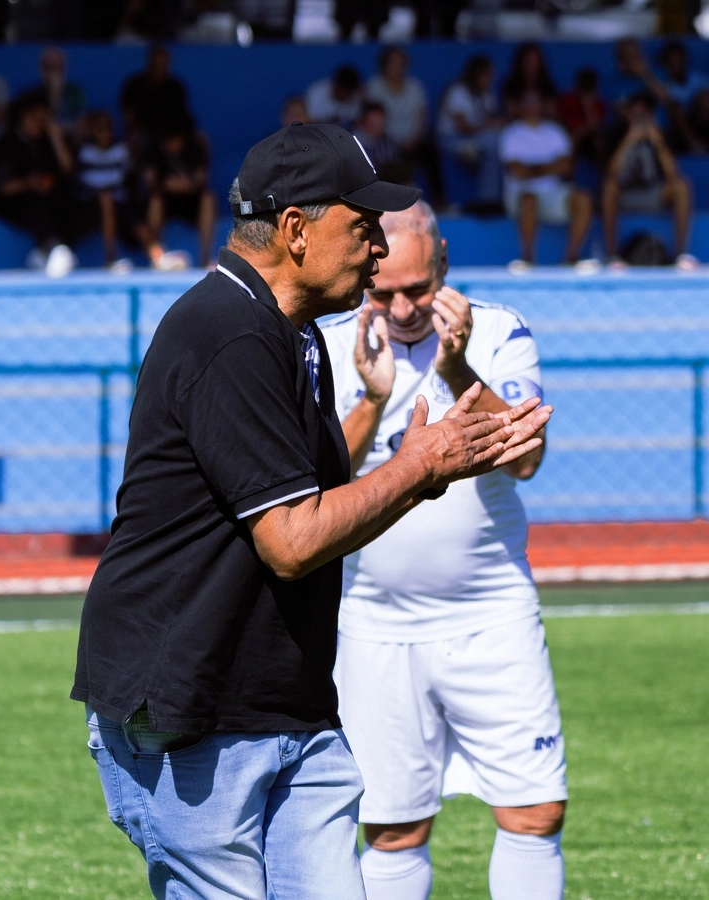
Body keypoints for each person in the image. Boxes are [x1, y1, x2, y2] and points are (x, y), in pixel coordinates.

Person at [71, 122, 551, 900]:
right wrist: (420, 466)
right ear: (296, 230)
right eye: (362, 226)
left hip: (286, 707)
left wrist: (414, 462)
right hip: (194, 711)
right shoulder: (229, 333)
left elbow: (324, 499)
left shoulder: (289, 332)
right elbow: (292, 540)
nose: (377, 248)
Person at [322, 200, 565, 900]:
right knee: (392, 829)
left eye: (419, 289)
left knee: (535, 812)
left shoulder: (499, 330)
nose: (402, 309)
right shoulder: (330, 343)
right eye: (384, 292)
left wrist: (459, 371)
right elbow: (316, 482)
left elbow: (526, 458)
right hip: (372, 622)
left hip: (492, 613)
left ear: (445, 264)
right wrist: (373, 400)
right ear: (365, 265)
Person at [499, 92, 592, 267]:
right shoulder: (512, 133)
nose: (532, 107)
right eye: (528, 102)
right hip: (519, 194)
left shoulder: (555, 131)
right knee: (529, 198)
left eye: (536, 102)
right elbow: (518, 171)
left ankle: (571, 257)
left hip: (552, 193)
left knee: (583, 199)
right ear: (520, 106)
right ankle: (527, 258)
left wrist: (532, 168)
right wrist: (550, 166)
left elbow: (566, 166)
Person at [602, 92, 692, 266]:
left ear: (651, 115)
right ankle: (612, 255)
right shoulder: (616, 134)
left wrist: (657, 142)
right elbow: (610, 172)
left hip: (654, 193)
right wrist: (628, 140)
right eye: (634, 114)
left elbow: (672, 173)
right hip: (624, 195)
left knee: (681, 186)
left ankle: (680, 254)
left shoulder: (661, 135)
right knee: (609, 186)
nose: (638, 119)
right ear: (627, 114)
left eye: (643, 115)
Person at [0, 92, 75, 270]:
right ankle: (55, 248)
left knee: (80, 207)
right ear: (24, 116)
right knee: (35, 204)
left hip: (51, 204)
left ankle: (43, 253)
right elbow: (2, 188)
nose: (41, 123)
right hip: (15, 205)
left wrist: (56, 137)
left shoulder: (48, 142)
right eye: (37, 118)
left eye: (44, 119)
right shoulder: (6, 144)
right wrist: (28, 183)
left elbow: (68, 170)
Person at [365, 46, 444, 206]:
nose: (397, 67)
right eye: (393, 63)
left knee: (430, 151)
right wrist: (391, 140)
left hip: (413, 141)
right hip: (384, 142)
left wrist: (414, 139)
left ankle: (440, 200)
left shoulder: (415, 87)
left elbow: (422, 117)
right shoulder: (374, 87)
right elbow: (372, 120)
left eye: (400, 63)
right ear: (384, 65)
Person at [140, 113, 217, 267]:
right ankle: (159, 258)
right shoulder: (155, 149)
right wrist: (165, 185)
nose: (174, 144)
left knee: (208, 199)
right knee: (155, 201)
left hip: (190, 200)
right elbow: (149, 182)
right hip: (165, 200)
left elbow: (201, 178)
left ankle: (205, 258)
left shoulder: (195, 147)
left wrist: (188, 185)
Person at [437, 54, 503, 204]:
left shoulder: (486, 94)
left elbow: (491, 118)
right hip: (451, 139)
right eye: (488, 75)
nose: (491, 79)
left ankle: (494, 199)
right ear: (477, 74)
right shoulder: (458, 91)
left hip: (475, 138)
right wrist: (489, 126)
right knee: (491, 143)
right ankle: (488, 200)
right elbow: (463, 126)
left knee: (497, 142)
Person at [74, 110, 131, 266]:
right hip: (88, 205)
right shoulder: (84, 151)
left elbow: (127, 178)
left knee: (136, 219)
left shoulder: (122, 149)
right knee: (105, 199)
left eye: (108, 128)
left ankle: (157, 255)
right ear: (91, 130)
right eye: (99, 128)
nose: (105, 133)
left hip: (120, 202)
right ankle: (111, 258)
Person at [120, 45, 189, 146]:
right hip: (143, 131)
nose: (159, 67)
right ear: (149, 62)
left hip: (170, 131)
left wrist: (177, 135)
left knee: (200, 139)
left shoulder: (176, 87)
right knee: (135, 137)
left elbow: (182, 115)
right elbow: (129, 114)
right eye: (156, 63)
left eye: (162, 63)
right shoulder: (134, 84)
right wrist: (136, 129)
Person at [353, 102, 412, 185]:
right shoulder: (352, 142)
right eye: (374, 122)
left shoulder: (389, 142)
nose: (379, 124)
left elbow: (395, 169)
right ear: (364, 121)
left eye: (381, 121)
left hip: (387, 185)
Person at [558, 68, 607, 165]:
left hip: (589, 135)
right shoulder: (568, 100)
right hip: (571, 133)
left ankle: (604, 171)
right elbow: (564, 123)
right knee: (574, 137)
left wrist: (588, 106)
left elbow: (595, 127)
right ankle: (567, 170)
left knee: (599, 142)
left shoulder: (598, 104)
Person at [502, 42, 558, 121]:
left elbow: (551, 111)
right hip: (518, 125)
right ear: (521, 62)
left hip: (543, 125)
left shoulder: (548, 86)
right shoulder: (511, 86)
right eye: (528, 60)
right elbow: (510, 111)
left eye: (534, 61)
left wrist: (524, 109)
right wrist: (537, 110)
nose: (531, 65)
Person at [305, 65, 363, 132]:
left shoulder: (355, 99)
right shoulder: (317, 93)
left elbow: (356, 123)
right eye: (343, 89)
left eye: (349, 91)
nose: (345, 94)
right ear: (336, 85)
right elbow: (307, 121)